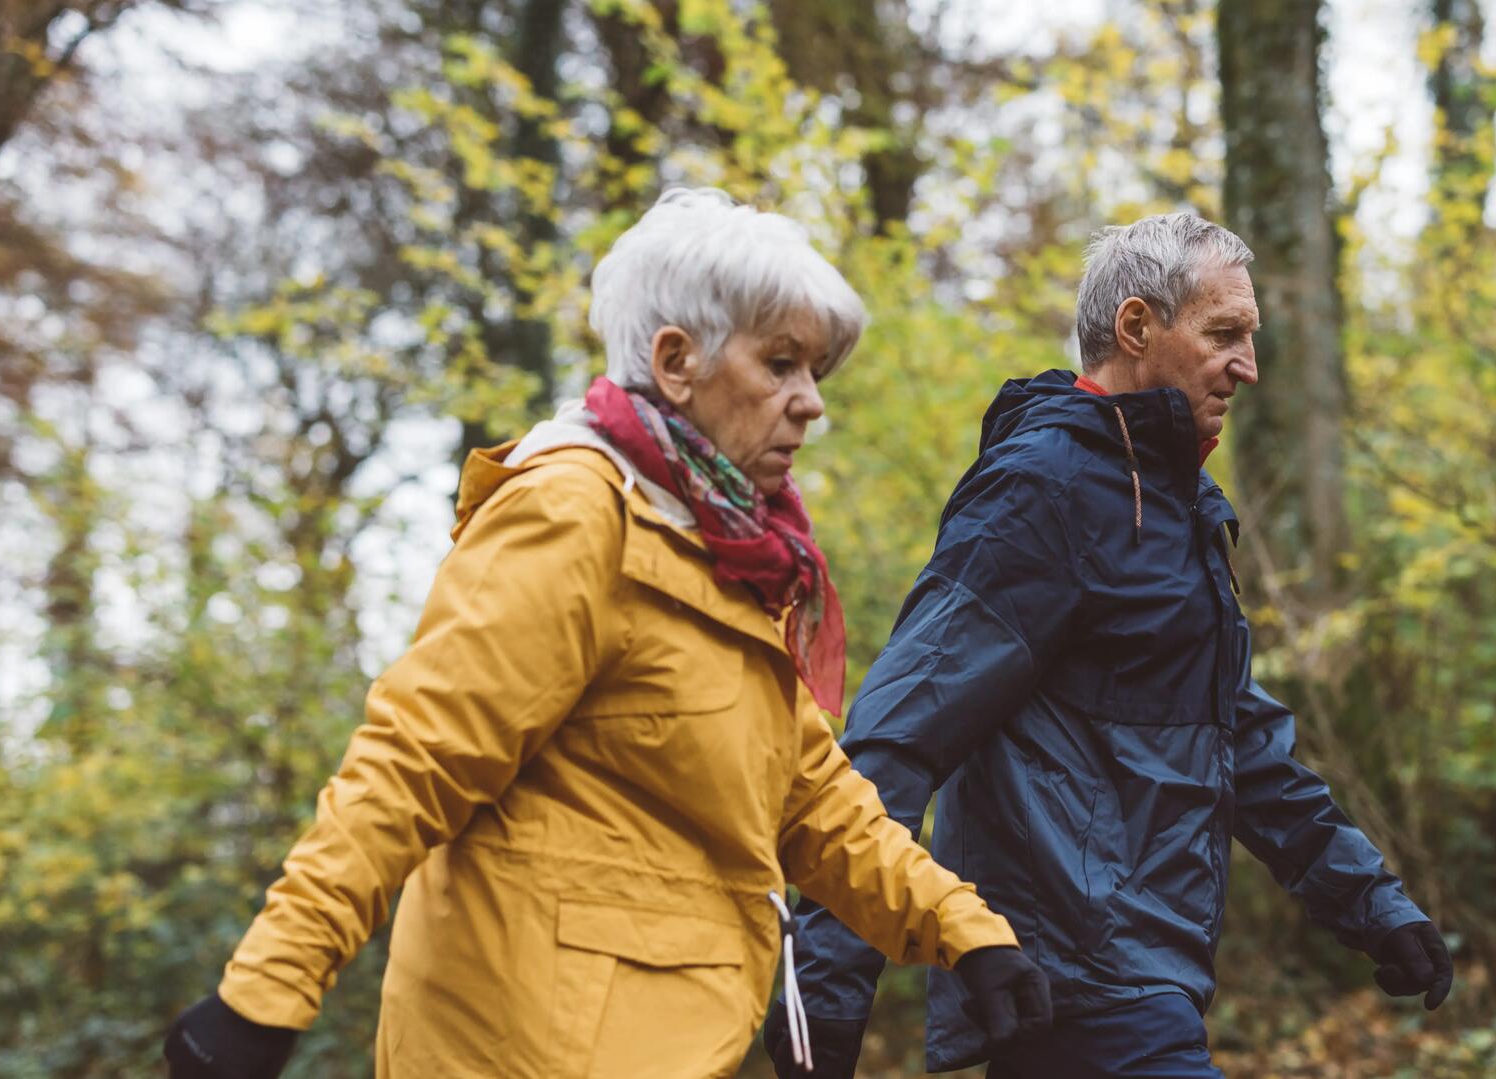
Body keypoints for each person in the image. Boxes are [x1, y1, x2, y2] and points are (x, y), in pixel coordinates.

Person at [161, 188, 1052, 1079]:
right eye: (781, 363)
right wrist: (267, 992)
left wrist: (966, 933)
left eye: (815, 370)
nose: (810, 402)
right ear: (676, 360)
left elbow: (811, 797)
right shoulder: (577, 512)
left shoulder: (731, 554)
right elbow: (414, 758)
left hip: (669, 1040)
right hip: (525, 1051)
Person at [768, 211, 1454, 1078]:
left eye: (1249, 337)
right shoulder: (1042, 489)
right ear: (1137, 326)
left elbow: (1236, 736)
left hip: (1144, 976)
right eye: (1224, 334)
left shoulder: (1179, 506)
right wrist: (827, 988)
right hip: (1071, 973)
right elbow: (899, 730)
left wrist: (1371, 902)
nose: (1248, 365)